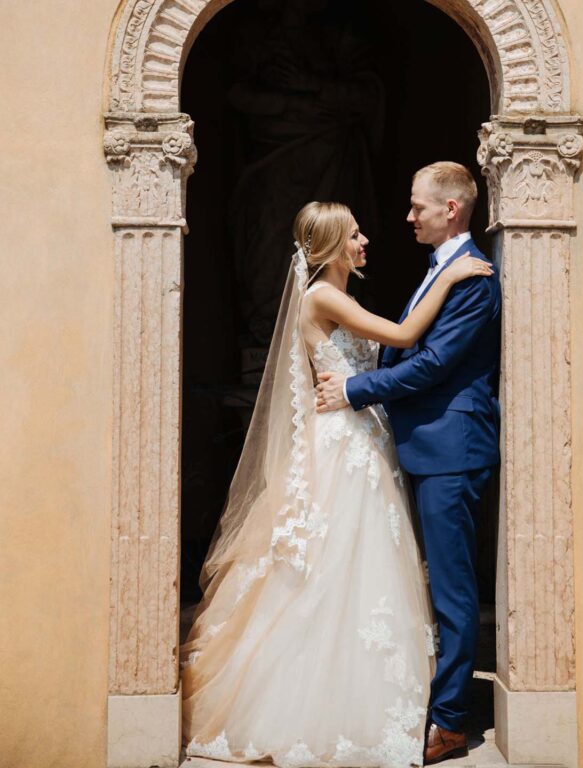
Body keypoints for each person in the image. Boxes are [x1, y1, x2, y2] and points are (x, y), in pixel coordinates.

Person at [180, 200, 492, 768]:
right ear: (329, 247)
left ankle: (363, 691)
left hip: (362, 438)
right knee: (333, 566)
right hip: (343, 445)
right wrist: (448, 275)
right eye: (354, 235)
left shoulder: (340, 298)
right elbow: (401, 337)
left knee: (360, 566)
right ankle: (313, 702)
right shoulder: (322, 296)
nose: (365, 241)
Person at [315, 163, 502, 765]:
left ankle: (449, 721)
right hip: (422, 449)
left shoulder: (470, 278)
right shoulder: (441, 271)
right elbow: (408, 342)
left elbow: (434, 364)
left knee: (451, 591)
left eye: (417, 206)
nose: (408, 216)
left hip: (452, 450)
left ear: (450, 209)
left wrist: (353, 391)